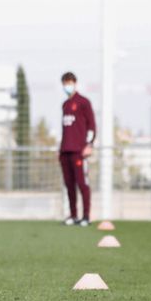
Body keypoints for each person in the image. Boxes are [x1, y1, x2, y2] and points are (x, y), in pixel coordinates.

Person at [59, 72, 96, 226]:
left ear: (75, 83)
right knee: (69, 185)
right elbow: (66, 129)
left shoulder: (83, 102)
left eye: (69, 82)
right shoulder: (65, 105)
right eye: (64, 83)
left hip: (79, 151)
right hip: (65, 151)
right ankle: (73, 215)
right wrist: (60, 149)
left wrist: (89, 144)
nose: (67, 86)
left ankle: (86, 216)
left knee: (82, 184)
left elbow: (92, 126)